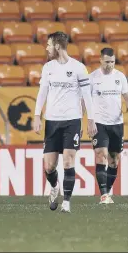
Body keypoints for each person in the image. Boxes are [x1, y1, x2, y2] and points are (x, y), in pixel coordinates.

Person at [33, 31, 97, 213]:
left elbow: (87, 96)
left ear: (57, 46)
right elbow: (42, 93)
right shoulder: (48, 68)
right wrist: (37, 115)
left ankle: (67, 202)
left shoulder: (79, 68)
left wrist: (90, 120)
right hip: (52, 122)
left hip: (72, 121)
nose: (46, 48)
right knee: (49, 166)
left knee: (69, 160)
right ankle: (54, 187)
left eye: (49, 44)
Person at [89, 47, 127, 204]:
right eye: (107, 62)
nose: (110, 65)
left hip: (117, 124)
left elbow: (126, 96)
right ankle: (104, 194)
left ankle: (107, 193)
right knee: (101, 154)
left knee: (114, 159)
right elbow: (85, 101)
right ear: (100, 60)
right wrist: (88, 121)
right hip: (99, 123)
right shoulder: (92, 78)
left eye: (112, 62)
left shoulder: (120, 77)